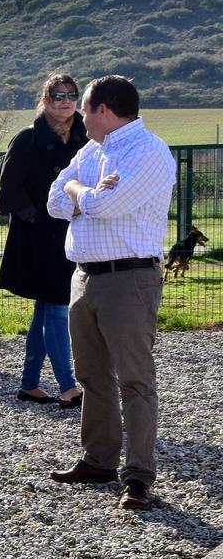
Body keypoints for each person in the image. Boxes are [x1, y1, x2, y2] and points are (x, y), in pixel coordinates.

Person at [45, 75, 174, 512]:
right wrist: (81, 191)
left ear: (103, 110)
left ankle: (137, 477)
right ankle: (98, 461)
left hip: (129, 279)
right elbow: (53, 200)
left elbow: (105, 206)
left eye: (83, 108)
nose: (80, 116)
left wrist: (77, 191)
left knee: (135, 380)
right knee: (92, 375)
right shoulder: (92, 150)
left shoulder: (149, 152)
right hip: (85, 277)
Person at [0, 73, 89, 408]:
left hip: (73, 234)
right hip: (38, 237)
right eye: (58, 95)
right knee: (57, 307)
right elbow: (6, 193)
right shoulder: (26, 139)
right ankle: (68, 386)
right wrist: (39, 217)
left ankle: (29, 383)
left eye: (71, 95)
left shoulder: (86, 138)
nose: (65, 101)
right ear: (46, 99)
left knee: (45, 308)